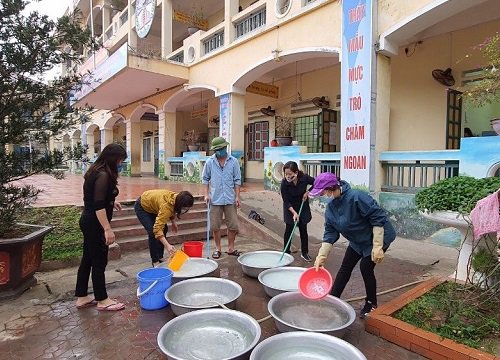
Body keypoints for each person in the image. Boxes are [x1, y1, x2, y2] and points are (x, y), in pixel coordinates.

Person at [310, 172, 396, 318]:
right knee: (345, 267)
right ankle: (333, 299)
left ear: (332, 187)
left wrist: (377, 246)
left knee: (365, 267)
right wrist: (321, 256)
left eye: (324, 192)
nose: (323, 195)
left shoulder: (357, 197)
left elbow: (378, 218)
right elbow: (330, 232)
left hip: (377, 236)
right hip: (357, 241)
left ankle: (371, 304)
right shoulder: (331, 207)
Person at [75, 143, 127, 311]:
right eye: (120, 160)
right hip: (94, 224)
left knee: (88, 259)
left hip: (88, 220)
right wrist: (107, 229)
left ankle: (82, 296)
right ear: (113, 159)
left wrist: (112, 201)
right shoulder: (103, 175)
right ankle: (102, 300)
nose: (120, 164)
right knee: (99, 261)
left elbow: (97, 197)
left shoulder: (95, 171)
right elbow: (98, 205)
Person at [202, 136, 242, 259]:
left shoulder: (234, 161)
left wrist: (238, 196)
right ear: (215, 150)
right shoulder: (210, 162)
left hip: (230, 198)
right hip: (215, 199)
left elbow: (237, 180)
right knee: (215, 226)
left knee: (233, 225)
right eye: (218, 149)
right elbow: (205, 179)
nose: (221, 151)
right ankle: (218, 248)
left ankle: (231, 248)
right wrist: (206, 194)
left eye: (223, 148)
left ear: (225, 147)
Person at [134, 190, 194, 267]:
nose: (185, 210)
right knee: (153, 232)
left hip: (154, 206)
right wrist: (167, 245)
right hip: (143, 206)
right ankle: (155, 261)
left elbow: (172, 209)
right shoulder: (166, 206)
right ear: (180, 205)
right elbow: (157, 228)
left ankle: (160, 257)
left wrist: (173, 222)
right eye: (185, 208)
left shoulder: (176, 198)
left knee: (164, 228)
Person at [280, 161, 315, 261]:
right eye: (286, 174)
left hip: (302, 206)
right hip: (290, 208)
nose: (288, 176)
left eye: (290, 174)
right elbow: (286, 201)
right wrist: (294, 213)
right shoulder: (284, 183)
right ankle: (286, 252)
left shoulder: (304, 178)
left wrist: (308, 192)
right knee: (289, 229)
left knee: (303, 229)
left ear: (296, 172)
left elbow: (316, 183)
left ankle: (305, 252)